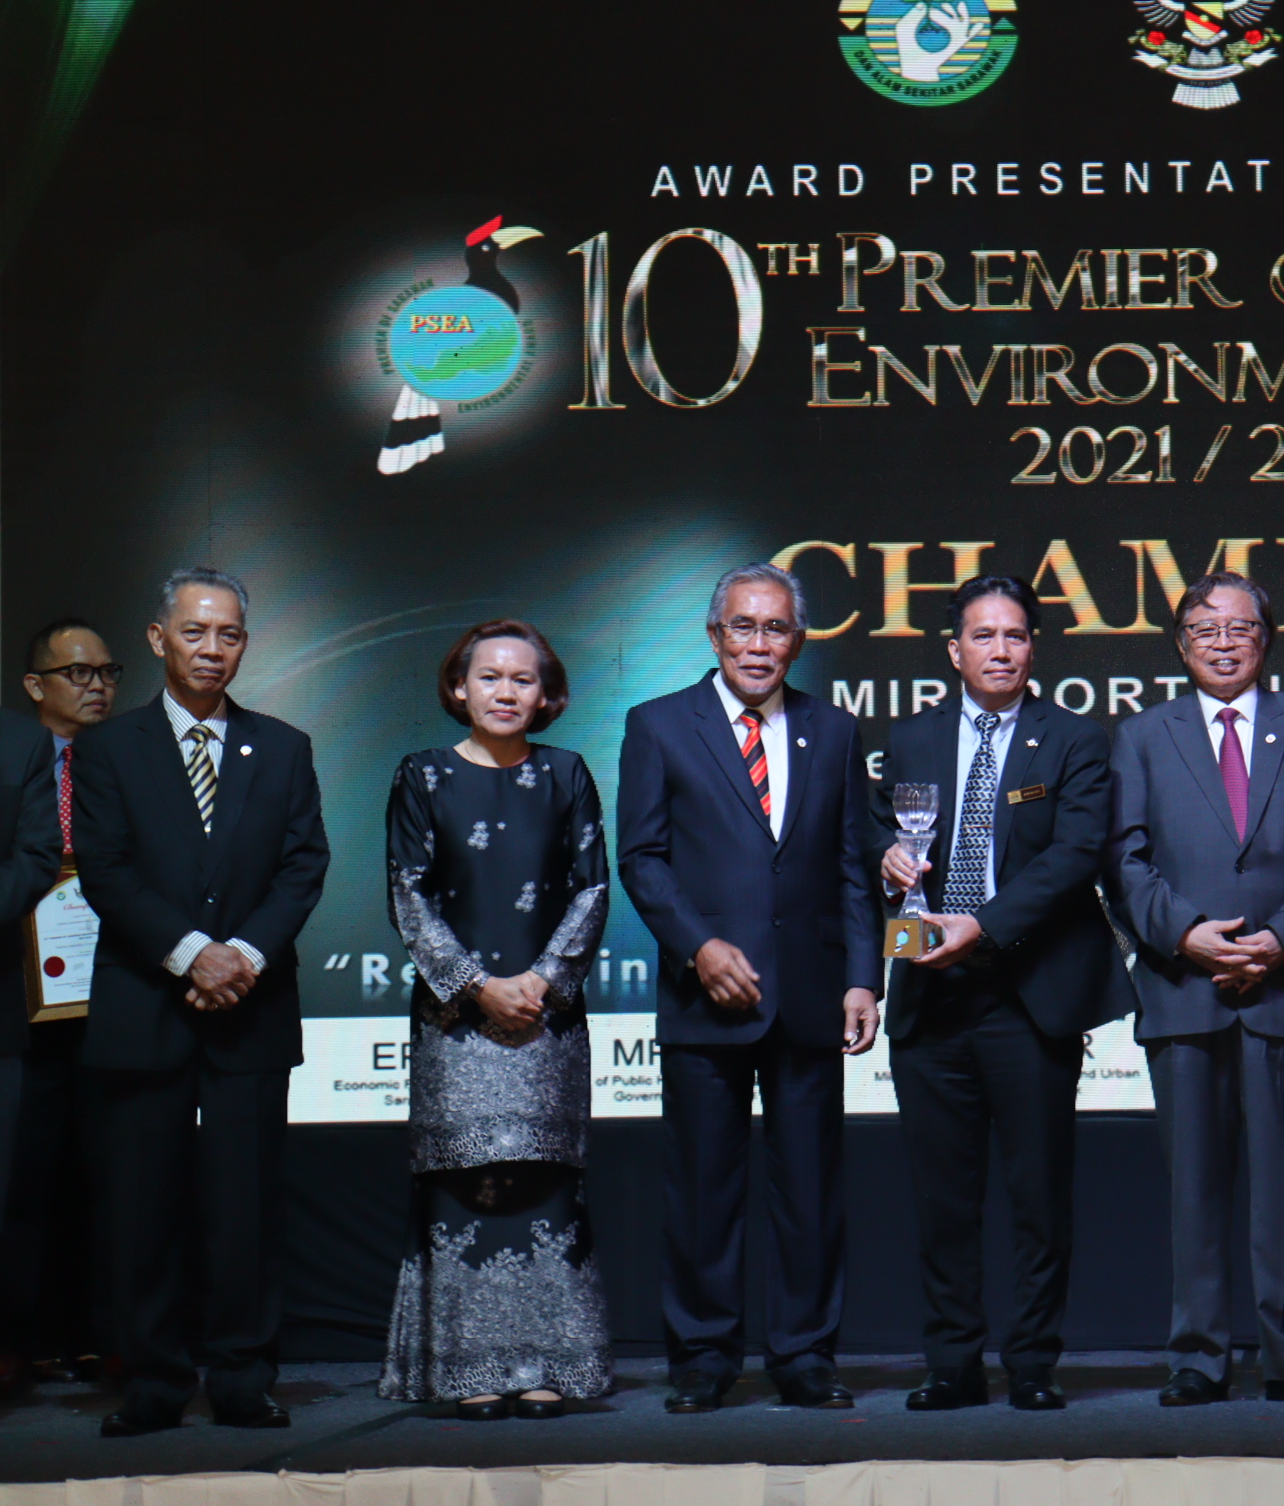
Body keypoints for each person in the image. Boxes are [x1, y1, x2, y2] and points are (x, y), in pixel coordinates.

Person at [618, 561, 882, 1413]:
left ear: (797, 641)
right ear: (714, 635)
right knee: (703, 1190)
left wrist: (860, 979)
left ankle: (805, 1356)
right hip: (705, 997)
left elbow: (851, 867)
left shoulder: (834, 730)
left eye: (775, 629)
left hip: (808, 996)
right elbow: (643, 859)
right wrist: (699, 949)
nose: (759, 644)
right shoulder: (658, 726)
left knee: (810, 1191)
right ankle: (703, 1358)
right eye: (744, 626)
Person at [73, 568, 329, 1437]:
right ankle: (151, 1382)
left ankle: (242, 1378)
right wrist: (192, 954)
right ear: (158, 639)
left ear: (244, 646)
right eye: (194, 632)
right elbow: (106, 871)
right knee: (142, 1210)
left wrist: (244, 957)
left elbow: (303, 866)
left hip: (251, 1010)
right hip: (145, 1006)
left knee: (245, 1210)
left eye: (228, 636)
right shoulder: (108, 750)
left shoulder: (284, 746)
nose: (211, 649)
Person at [871, 576, 1133, 1412]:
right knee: (943, 1200)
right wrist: (887, 855)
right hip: (931, 999)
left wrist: (979, 925)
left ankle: (1031, 1362)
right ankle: (951, 1362)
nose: (1000, 650)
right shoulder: (908, 740)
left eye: (1015, 636)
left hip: (1030, 995)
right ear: (954, 651)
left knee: (1037, 1196)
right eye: (982, 636)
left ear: (1033, 649)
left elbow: (1074, 855)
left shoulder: (1075, 740)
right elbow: (878, 829)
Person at [1107, 571, 1284, 1407]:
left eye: (1240, 628)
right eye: (1204, 629)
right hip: (1185, 989)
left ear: (1267, 639)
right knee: (1193, 1189)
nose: (1223, 642)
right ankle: (1197, 1356)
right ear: (1181, 644)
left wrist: (1283, 941)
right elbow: (1124, 860)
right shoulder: (1144, 735)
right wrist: (1187, 934)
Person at [377, 621, 613, 1420]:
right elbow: (408, 895)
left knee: (546, 1187)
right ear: (457, 689)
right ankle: (468, 1371)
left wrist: (541, 983)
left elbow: (591, 889)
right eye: (490, 677)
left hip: (547, 1020)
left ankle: (549, 1366)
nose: (506, 692)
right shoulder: (422, 776)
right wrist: (476, 986)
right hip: (456, 1023)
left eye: (522, 680)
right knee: (462, 1188)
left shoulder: (568, 774)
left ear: (546, 696)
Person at [0, 619, 116, 1396]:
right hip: (18, 998)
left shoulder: (131, 763)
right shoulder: (19, 756)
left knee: (105, 1174)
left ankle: (96, 1335)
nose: (98, 684)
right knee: (22, 1176)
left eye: (107, 671)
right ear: (36, 684)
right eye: (78, 673)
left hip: (111, 996)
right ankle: (25, 1337)